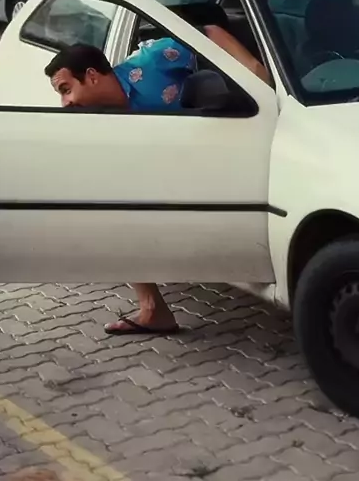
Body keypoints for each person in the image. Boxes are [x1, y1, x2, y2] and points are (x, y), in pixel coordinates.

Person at [45, 27, 269, 335]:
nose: (64, 103)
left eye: (66, 89)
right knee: (109, 214)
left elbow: (205, 31)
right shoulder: (91, 119)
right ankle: (153, 310)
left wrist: (254, 71)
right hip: (169, 172)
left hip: (220, 152)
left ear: (92, 76)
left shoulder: (152, 61)